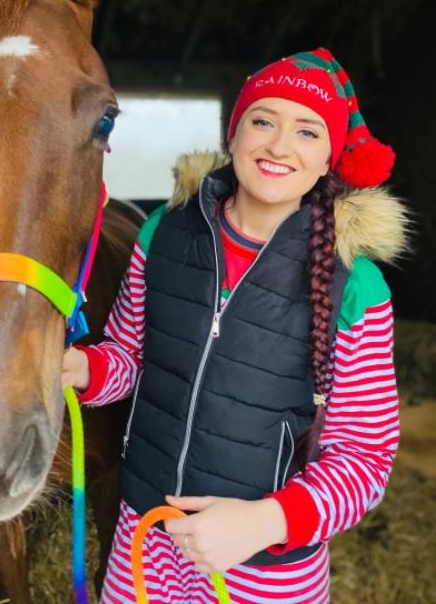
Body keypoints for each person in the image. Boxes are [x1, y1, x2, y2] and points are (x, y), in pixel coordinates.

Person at [62, 48, 407, 603]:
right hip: (144, 537)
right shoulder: (165, 234)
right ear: (234, 132)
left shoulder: (355, 287)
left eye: (307, 132)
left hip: (265, 568)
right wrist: (81, 365)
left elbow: (364, 458)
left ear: (329, 161)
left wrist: (265, 523)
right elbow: (129, 360)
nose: (278, 145)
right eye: (263, 120)